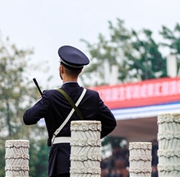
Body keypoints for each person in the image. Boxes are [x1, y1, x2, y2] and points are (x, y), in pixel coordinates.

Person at [23, 45, 117, 177]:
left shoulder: (50, 97)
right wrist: (87, 139)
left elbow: (28, 118)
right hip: (85, 159)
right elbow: (110, 123)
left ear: (61, 69)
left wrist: (43, 104)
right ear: (81, 70)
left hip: (60, 162)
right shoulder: (92, 97)